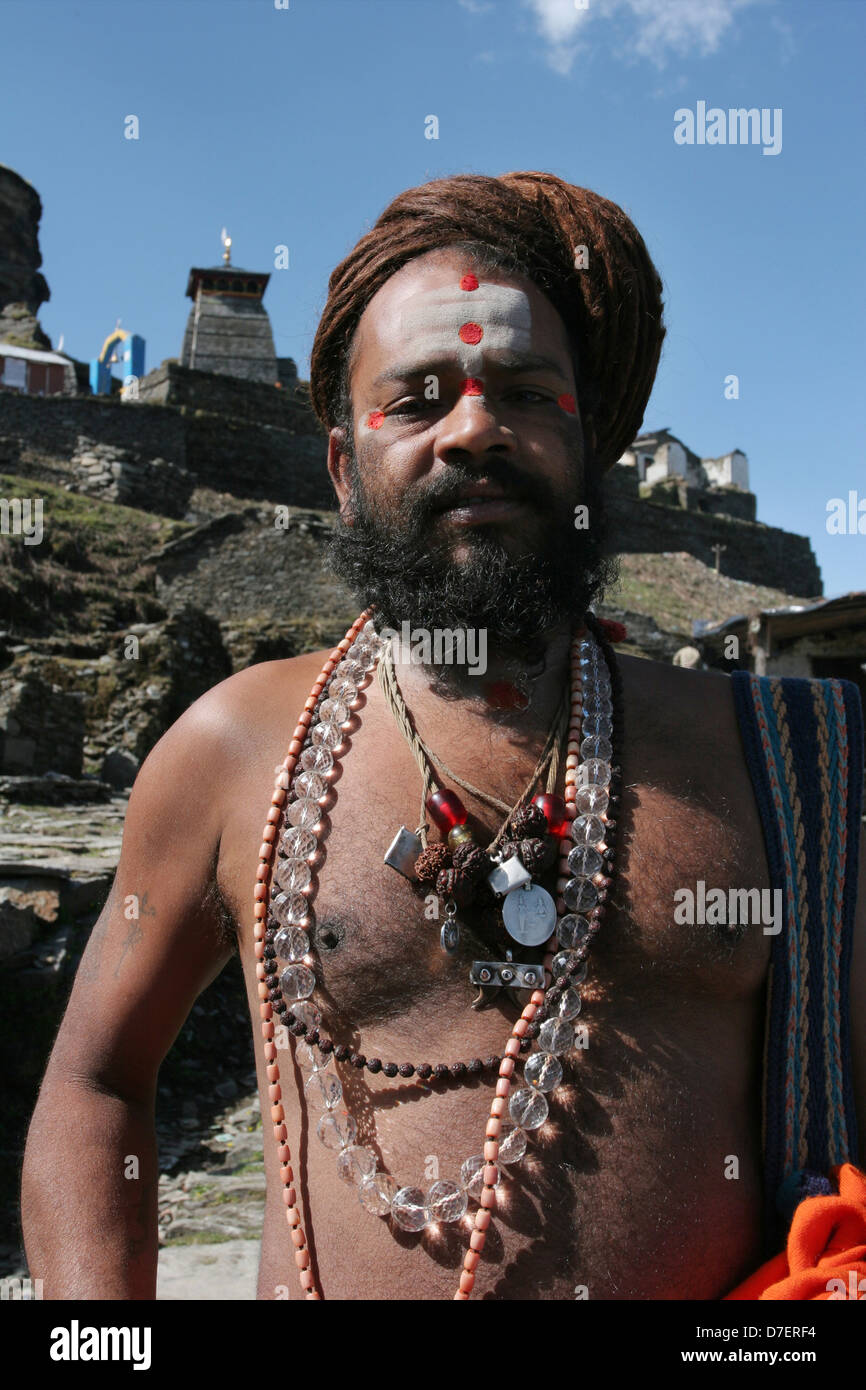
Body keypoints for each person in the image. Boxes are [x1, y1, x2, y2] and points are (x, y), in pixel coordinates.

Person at [21, 173, 866, 1301]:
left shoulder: (795, 761)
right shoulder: (230, 752)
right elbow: (96, 1085)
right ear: (339, 470)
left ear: (593, 443)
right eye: (418, 399)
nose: (474, 427)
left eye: (521, 389)